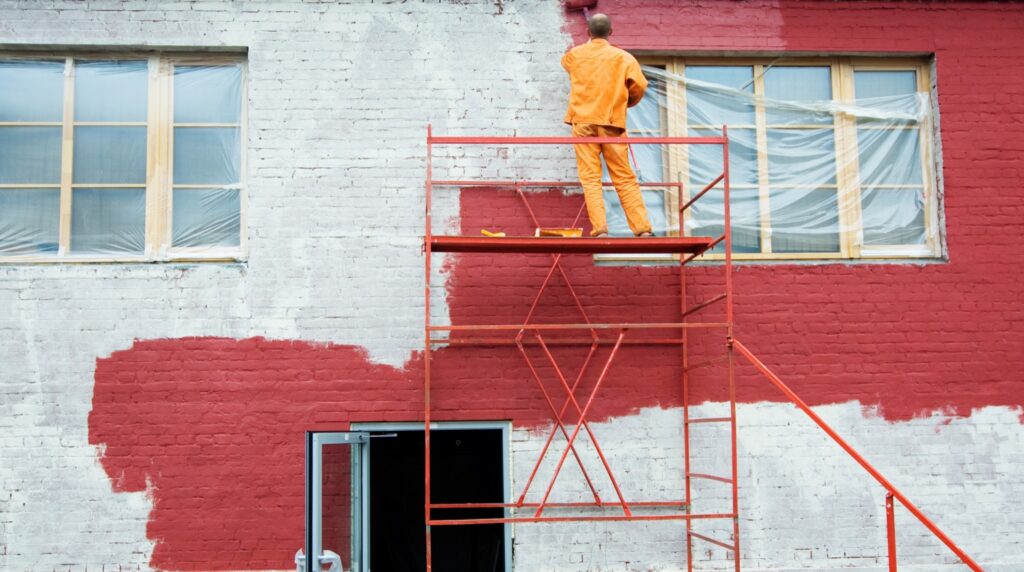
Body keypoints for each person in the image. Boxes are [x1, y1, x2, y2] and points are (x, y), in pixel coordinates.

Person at [561, 13, 653, 238]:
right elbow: (640, 86)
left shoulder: (575, 55)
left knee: (590, 178)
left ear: (588, 32)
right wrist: (626, 103)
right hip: (612, 122)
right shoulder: (624, 58)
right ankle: (641, 229)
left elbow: (567, 63)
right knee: (623, 176)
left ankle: (600, 229)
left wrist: (589, 45)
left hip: (583, 123)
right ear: (611, 32)